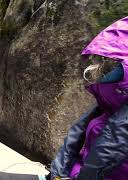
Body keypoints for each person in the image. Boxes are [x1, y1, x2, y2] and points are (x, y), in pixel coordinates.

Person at [50, 17, 128, 180]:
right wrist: (57, 175)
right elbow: (74, 141)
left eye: (111, 61)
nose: (99, 66)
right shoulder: (107, 106)